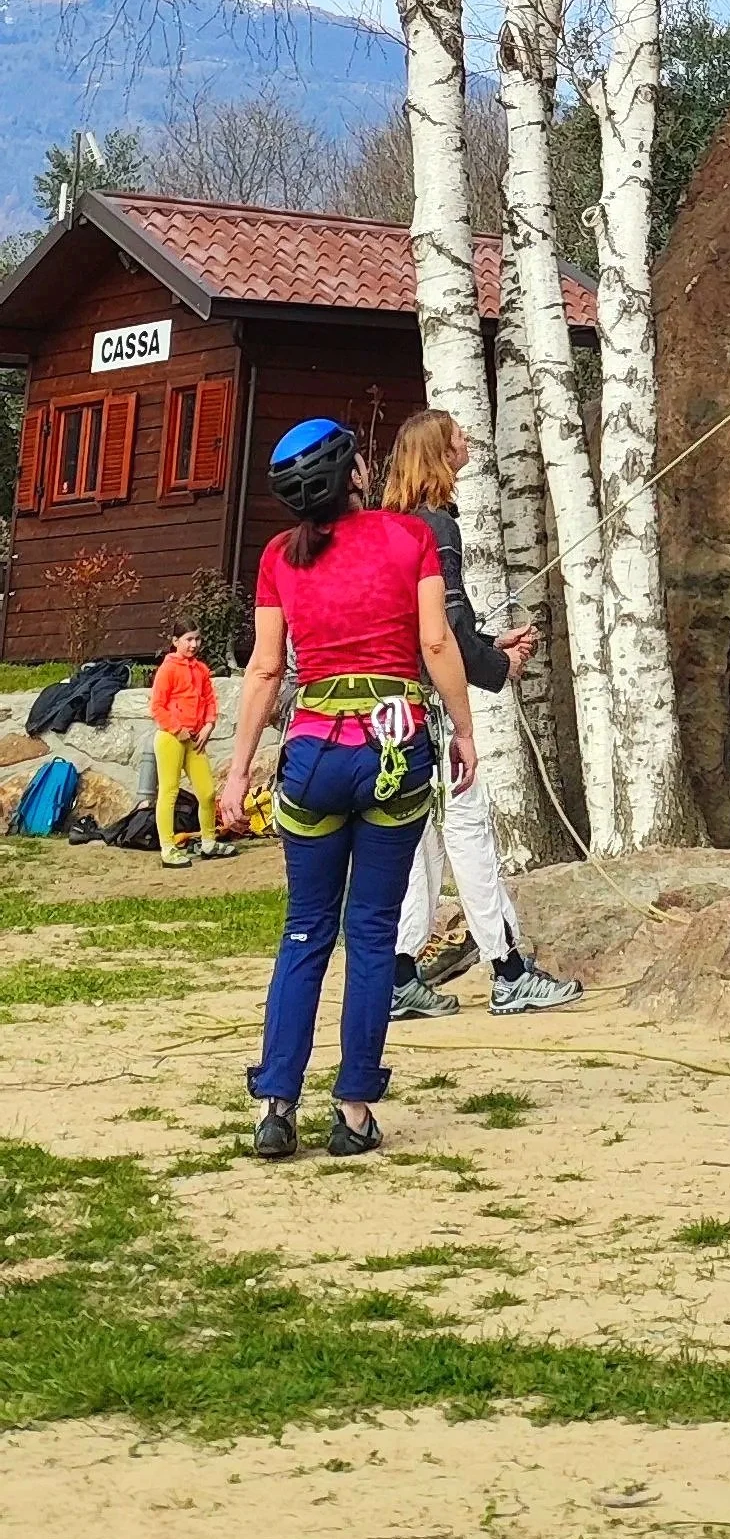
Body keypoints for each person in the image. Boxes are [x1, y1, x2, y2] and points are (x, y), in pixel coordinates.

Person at [217, 416, 478, 1161]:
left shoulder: (278, 556)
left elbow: (267, 669)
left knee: (305, 928)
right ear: (355, 474)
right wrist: (464, 731)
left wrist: (237, 770)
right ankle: (354, 1109)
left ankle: (276, 1105)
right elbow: (436, 641)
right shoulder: (410, 536)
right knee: (371, 931)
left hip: (313, 756)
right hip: (395, 750)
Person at [381, 408, 582, 1018]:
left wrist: (488, 646)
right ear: (440, 454)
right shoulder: (438, 528)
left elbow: (431, 630)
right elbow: (443, 631)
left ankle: (397, 976)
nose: (467, 441)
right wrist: (498, 666)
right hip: (432, 715)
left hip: (389, 716)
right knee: (469, 834)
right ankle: (508, 970)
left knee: (416, 845)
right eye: (458, 437)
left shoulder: (387, 528)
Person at [147, 624, 235, 868]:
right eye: (188, 639)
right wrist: (177, 729)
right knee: (169, 792)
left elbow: (209, 700)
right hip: (171, 738)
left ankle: (208, 842)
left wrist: (209, 724)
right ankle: (168, 848)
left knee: (207, 792)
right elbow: (157, 707)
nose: (194, 644)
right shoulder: (167, 669)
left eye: (197, 639)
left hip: (195, 739)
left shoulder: (201, 669)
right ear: (175, 641)